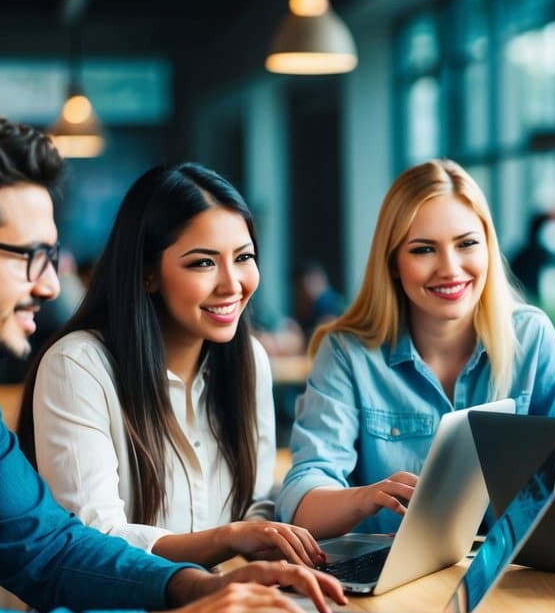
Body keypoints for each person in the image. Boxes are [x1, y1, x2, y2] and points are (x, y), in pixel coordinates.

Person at [0, 109, 344, 613]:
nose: (46, 286)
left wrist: (196, 590)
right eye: (28, 257)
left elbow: (52, 551)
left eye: (51, 258)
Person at [17, 163, 325, 569]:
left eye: (244, 257)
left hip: (226, 608)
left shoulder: (249, 360)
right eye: (203, 263)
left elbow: (255, 505)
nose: (232, 284)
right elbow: (93, 541)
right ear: (148, 275)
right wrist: (231, 539)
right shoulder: (78, 365)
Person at [278, 159, 555, 538]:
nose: (450, 269)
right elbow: (300, 501)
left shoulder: (531, 339)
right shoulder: (348, 353)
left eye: (467, 243)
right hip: (386, 584)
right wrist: (363, 498)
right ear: (392, 263)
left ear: (488, 247)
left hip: (510, 581)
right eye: (423, 250)